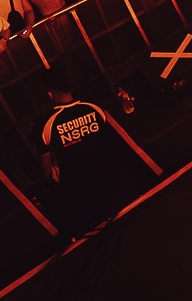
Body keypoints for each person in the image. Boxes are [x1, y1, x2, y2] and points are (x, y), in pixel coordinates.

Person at [37, 69, 161, 237]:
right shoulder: (93, 107)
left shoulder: (44, 124)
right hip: (110, 181)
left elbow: (45, 169)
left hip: (78, 193)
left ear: (49, 93)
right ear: (69, 84)